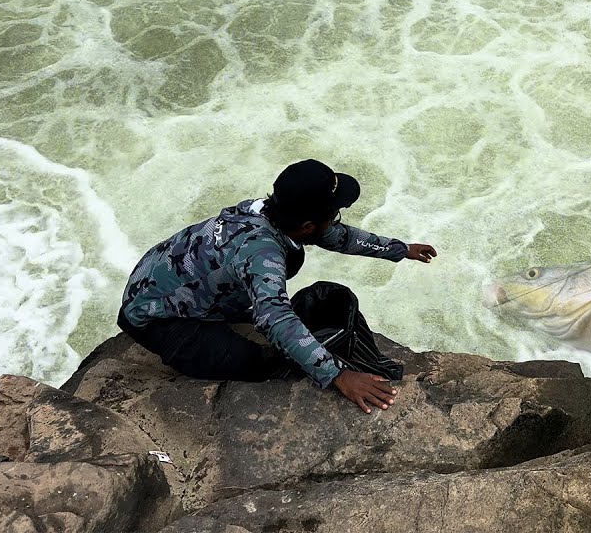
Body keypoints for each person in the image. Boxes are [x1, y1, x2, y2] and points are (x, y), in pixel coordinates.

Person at [117, 159, 437, 414]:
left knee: (305, 302)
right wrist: (339, 375)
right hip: (157, 320)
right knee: (261, 364)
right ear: (307, 226)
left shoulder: (268, 211)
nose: (336, 220)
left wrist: (400, 249)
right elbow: (275, 318)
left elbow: (336, 236)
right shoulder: (262, 253)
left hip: (159, 281)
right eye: (334, 214)